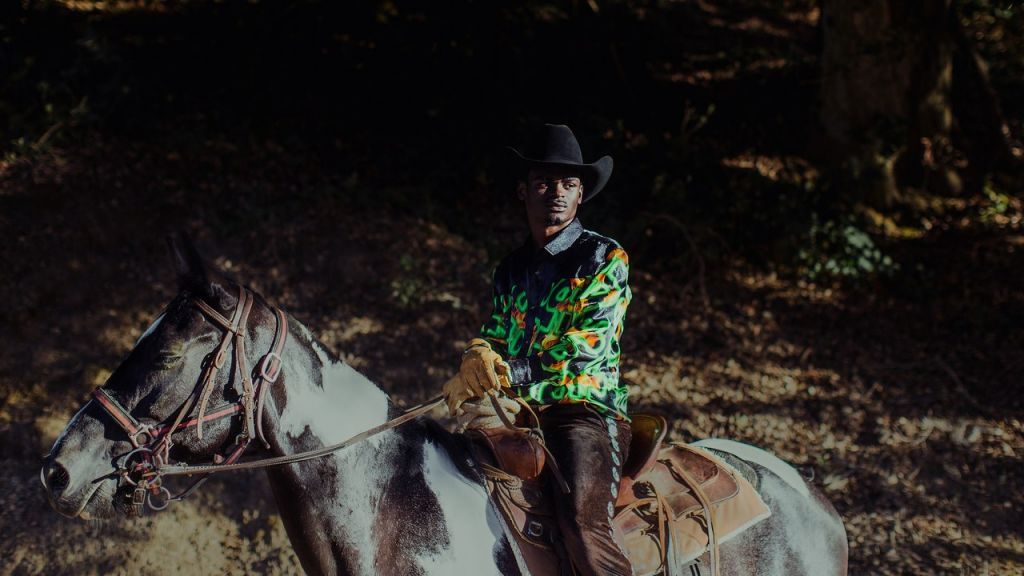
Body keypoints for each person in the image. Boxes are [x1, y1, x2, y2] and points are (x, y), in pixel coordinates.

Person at [444, 123, 634, 575]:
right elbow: (496, 333)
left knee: (582, 526)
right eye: (544, 182)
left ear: (581, 194)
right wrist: (476, 354)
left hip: (583, 412)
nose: (557, 192)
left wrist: (513, 371)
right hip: (519, 411)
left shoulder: (604, 257)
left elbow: (588, 343)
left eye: (569, 183)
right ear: (523, 191)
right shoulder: (511, 269)